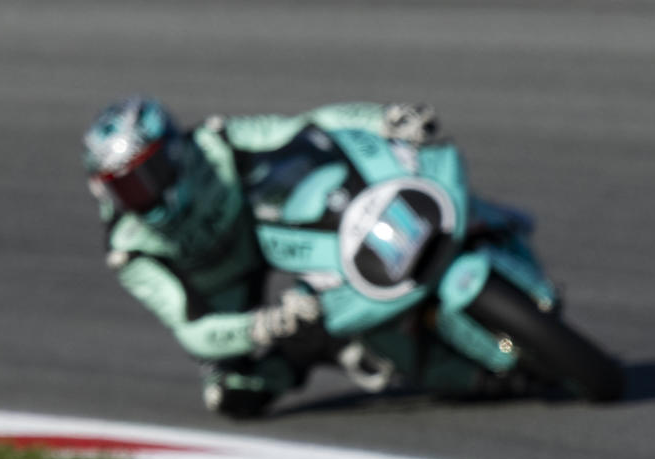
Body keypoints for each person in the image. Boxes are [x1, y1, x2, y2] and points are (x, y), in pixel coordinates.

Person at [82, 96, 533, 417]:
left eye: (148, 175)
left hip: (273, 230)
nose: (143, 195)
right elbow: (193, 330)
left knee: (389, 195)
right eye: (126, 188)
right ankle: (461, 373)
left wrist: (385, 122)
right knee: (234, 394)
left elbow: (310, 126)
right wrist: (264, 325)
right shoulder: (130, 249)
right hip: (225, 290)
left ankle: (489, 232)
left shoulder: (218, 142)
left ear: (174, 152)